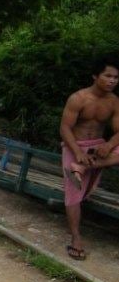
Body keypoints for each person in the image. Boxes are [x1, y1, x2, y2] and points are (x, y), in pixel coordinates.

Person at [60, 57, 119, 260]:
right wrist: (77, 152)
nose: (112, 81)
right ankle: (76, 238)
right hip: (75, 146)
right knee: (74, 193)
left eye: (116, 77)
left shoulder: (114, 102)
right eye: (108, 76)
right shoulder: (78, 98)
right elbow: (65, 128)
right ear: (96, 76)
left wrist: (109, 144)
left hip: (98, 149)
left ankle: (83, 167)